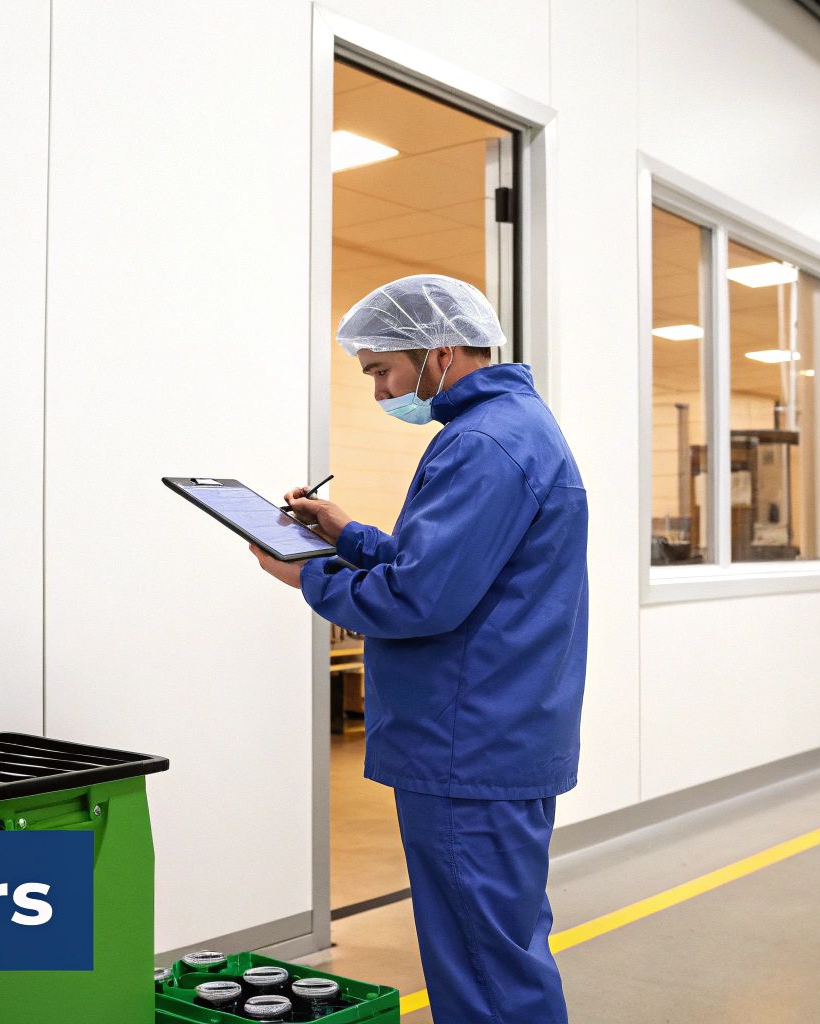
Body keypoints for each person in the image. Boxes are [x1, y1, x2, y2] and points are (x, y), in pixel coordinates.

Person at [248, 275, 587, 1023]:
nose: (379, 394)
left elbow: (419, 599)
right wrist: (348, 534)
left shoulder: (484, 444)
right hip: (499, 732)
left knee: (483, 966)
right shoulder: (511, 426)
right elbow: (451, 566)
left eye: (381, 372)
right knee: (500, 946)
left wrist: (308, 575)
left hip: (468, 745)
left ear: (438, 350)